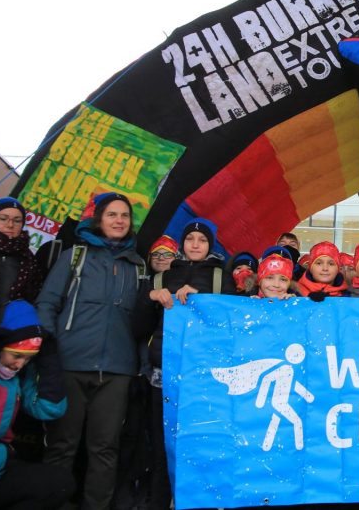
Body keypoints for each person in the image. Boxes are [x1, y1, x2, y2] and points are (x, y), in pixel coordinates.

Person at [35, 192, 146, 510]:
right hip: (70, 364)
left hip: (117, 371)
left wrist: (137, 364)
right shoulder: (76, 255)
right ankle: (51, 504)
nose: (119, 221)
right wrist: (50, 351)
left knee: (105, 449)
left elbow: (141, 323)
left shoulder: (137, 266)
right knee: (61, 446)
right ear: (99, 219)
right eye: (112, 214)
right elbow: (47, 303)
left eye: (124, 216)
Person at [135, 217, 231, 510]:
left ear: (210, 245)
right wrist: (149, 297)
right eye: (190, 239)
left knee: (203, 441)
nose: (195, 244)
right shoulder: (160, 278)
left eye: (202, 241)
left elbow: (232, 325)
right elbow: (139, 328)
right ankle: (159, 501)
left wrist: (204, 304)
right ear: (182, 244)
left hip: (205, 377)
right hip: (163, 373)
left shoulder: (221, 278)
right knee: (163, 444)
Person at [0, 301, 74, 509]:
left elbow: (50, 408)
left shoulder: (16, 378)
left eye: (27, 359)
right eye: (16, 356)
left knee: (58, 484)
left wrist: (48, 357)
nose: (19, 364)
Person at [0, 197, 44, 328]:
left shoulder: (29, 259)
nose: (10, 225)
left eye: (17, 220)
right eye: (3, 218)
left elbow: (34, 298)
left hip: (9, 335)